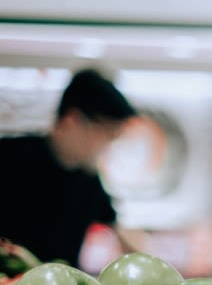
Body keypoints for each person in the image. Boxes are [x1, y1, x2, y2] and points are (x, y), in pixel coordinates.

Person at [0, 67, 144, 267]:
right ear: (73, 121)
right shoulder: (9, 157)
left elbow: (119, 229)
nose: (109, 145)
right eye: (108, 133)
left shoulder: (87, 178)